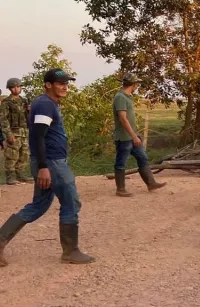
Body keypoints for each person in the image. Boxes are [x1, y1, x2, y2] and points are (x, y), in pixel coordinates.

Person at [0, 68, 95, 266]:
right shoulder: (45, 104)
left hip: (49, 162)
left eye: (66, 83)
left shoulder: (45, 103)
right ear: (48, 85)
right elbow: (38, 136)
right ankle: (71, 251)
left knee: (39, 205)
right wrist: (44, 167)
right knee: (71, 202)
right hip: (52, 164)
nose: (65, 87)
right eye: (60, 83)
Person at [112, 73, 167, 197]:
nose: (137, 86)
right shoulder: (120, 97)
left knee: (142, 158)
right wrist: (134, 136)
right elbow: (123, 119)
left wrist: (135, 135)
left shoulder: (127, 96)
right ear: (133, 84)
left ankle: (151, 183)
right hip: (124, 137)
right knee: (121, 163)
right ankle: (120, 189)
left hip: (131, 136)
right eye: (136, 83)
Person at [0, 77, 32, 185]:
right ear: (10, 89)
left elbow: (28, 118)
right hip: (13, 132)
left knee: (24, 154)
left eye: (18, 87)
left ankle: (21, 175)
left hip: (24, 132)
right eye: (13, 87)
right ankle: (10, 177)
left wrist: (29, 111)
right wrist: (8, 134)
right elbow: (3, 119)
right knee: (12, 155)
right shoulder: (6, 102)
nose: (16, 89)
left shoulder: (24, 101)